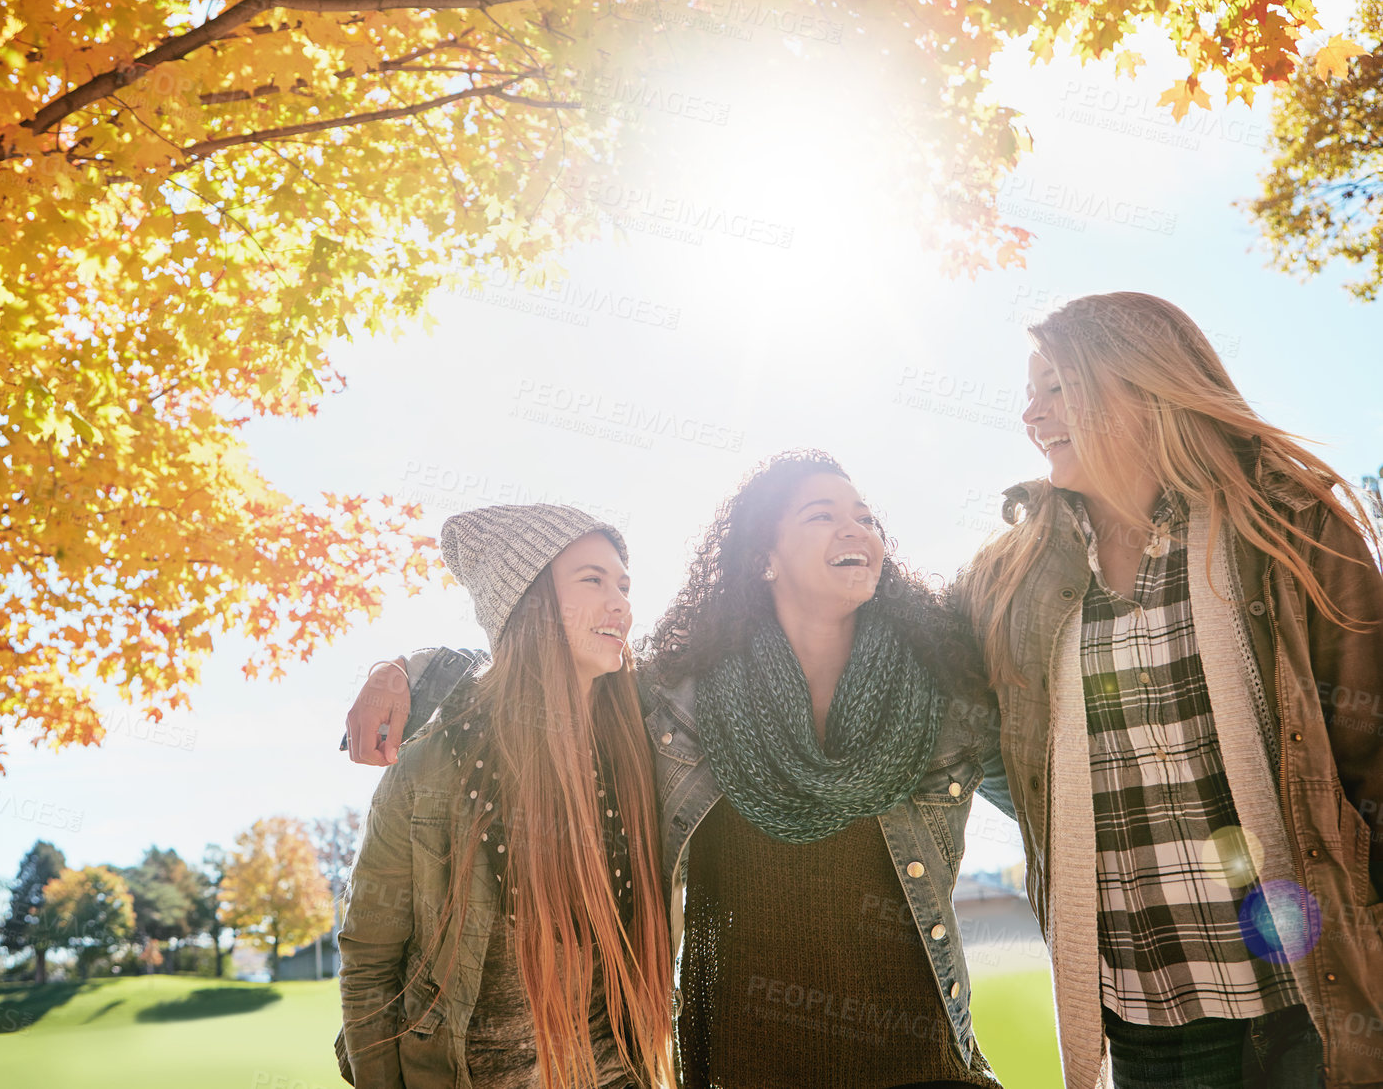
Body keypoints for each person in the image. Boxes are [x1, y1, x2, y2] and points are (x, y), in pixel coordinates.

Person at [347, 452, 1009, 1089]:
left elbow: (1053, 783)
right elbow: (531, 676)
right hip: (739, 1069)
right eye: (820, 514)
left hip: (916, 1064)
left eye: (866, 516)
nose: (857, 528)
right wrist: (404, 670)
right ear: (763, 559)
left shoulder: (941, 700)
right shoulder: (687, 701)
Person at [956, 291, 1383, 1089]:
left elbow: (1369, 751)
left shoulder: (1289, 526)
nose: (1031, 413)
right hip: (1147, 1011)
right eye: (1028, 392)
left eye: (1056, 387)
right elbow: (985, 745)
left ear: (1145, 389)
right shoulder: (1007, 578)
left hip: (1312, 997)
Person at [336, 504, 675, 1089]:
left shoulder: (648, 739)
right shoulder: (432, 765)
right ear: (528, 603)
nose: (620, 602)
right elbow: (369, 963)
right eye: (591, 580)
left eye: (624, 584)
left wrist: (399, 666)